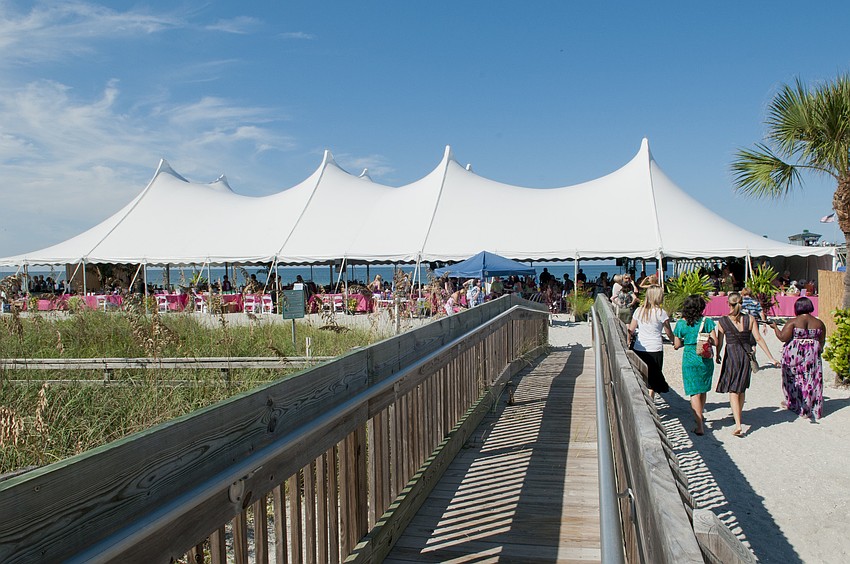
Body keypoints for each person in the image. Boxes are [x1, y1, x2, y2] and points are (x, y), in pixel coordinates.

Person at [714, 292, 780, 436]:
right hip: (745, 354)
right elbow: (758, 339)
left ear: (728, 303)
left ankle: (738, 423)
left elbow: (720, 342)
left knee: (733, 390)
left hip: (731, 355)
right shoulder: (750, 319)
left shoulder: (723, 321)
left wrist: (717, 354)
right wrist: (771, 357)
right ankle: (738, 414)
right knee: (741, 388)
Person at [770, 297, 826, 421]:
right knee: (811, 379)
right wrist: (816, 350)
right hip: (812, 355)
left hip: (794, 355)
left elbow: (783, 337)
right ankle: (811, 406)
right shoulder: (819, 323)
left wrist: (775, 328)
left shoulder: (793, 322)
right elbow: (822, 340)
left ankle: (796, 404)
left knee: (793, 378)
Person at [673, 295, 717, 435]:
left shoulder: (681, 324)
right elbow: (716, 341)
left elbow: (676, 345)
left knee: (693, 392)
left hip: (690, 358)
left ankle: (699, 425)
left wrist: (686, 340)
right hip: (704, 358)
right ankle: (700, 415)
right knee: (702, 389)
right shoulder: (707, 322)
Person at [628, 285, 674, 398]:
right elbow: (668, 332)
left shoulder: (639, 311)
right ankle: (650, 401)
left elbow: (631, 329)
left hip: (639, 347)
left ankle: (644, 399)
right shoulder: (661, 313)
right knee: (653, 380)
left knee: (641, 376)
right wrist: (674, 341)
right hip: (655, 348)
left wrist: (628, 340)